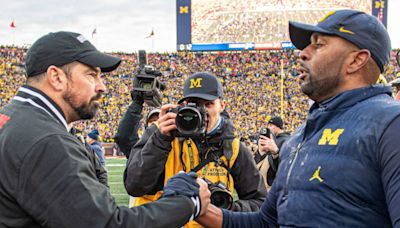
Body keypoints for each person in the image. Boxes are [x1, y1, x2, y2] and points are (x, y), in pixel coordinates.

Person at [196, 9, 400, 227]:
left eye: (319, 44)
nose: (302, 53)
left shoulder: (390, 125)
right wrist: (198, 207)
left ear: (356, 60)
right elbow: (266, 223)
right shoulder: (301, 136)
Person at [0, 31, 210, 227]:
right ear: (56, 78)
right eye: (91, 75)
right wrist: (188, 203)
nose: (102, 86)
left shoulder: (15, 118)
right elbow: (107, 224)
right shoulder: (47, 140)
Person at [124, 72, 267, 227]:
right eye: (195, 104)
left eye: (208, 104)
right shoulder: (160, 132)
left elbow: (260, 203)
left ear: (222, 105)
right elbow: (135, 186)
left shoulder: (233, 147)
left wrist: (224, 209)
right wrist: (161, 139)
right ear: (184, 105)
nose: (202, 112)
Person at [115, 90, 160, 158]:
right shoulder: (140, 147)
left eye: (159, 121)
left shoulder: (173, 146)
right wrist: (136, 104)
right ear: (146, 125)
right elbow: (123, 137)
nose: (155, 124)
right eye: (152, 121)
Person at [254, 116, 291, 189]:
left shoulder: (286, 140)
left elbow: (284, 165)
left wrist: (275, 152)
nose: (269, 128)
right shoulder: (272, 139)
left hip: (275, 182)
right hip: (264, 181)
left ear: (278, 127)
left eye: (271, 125)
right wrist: (260, 152)